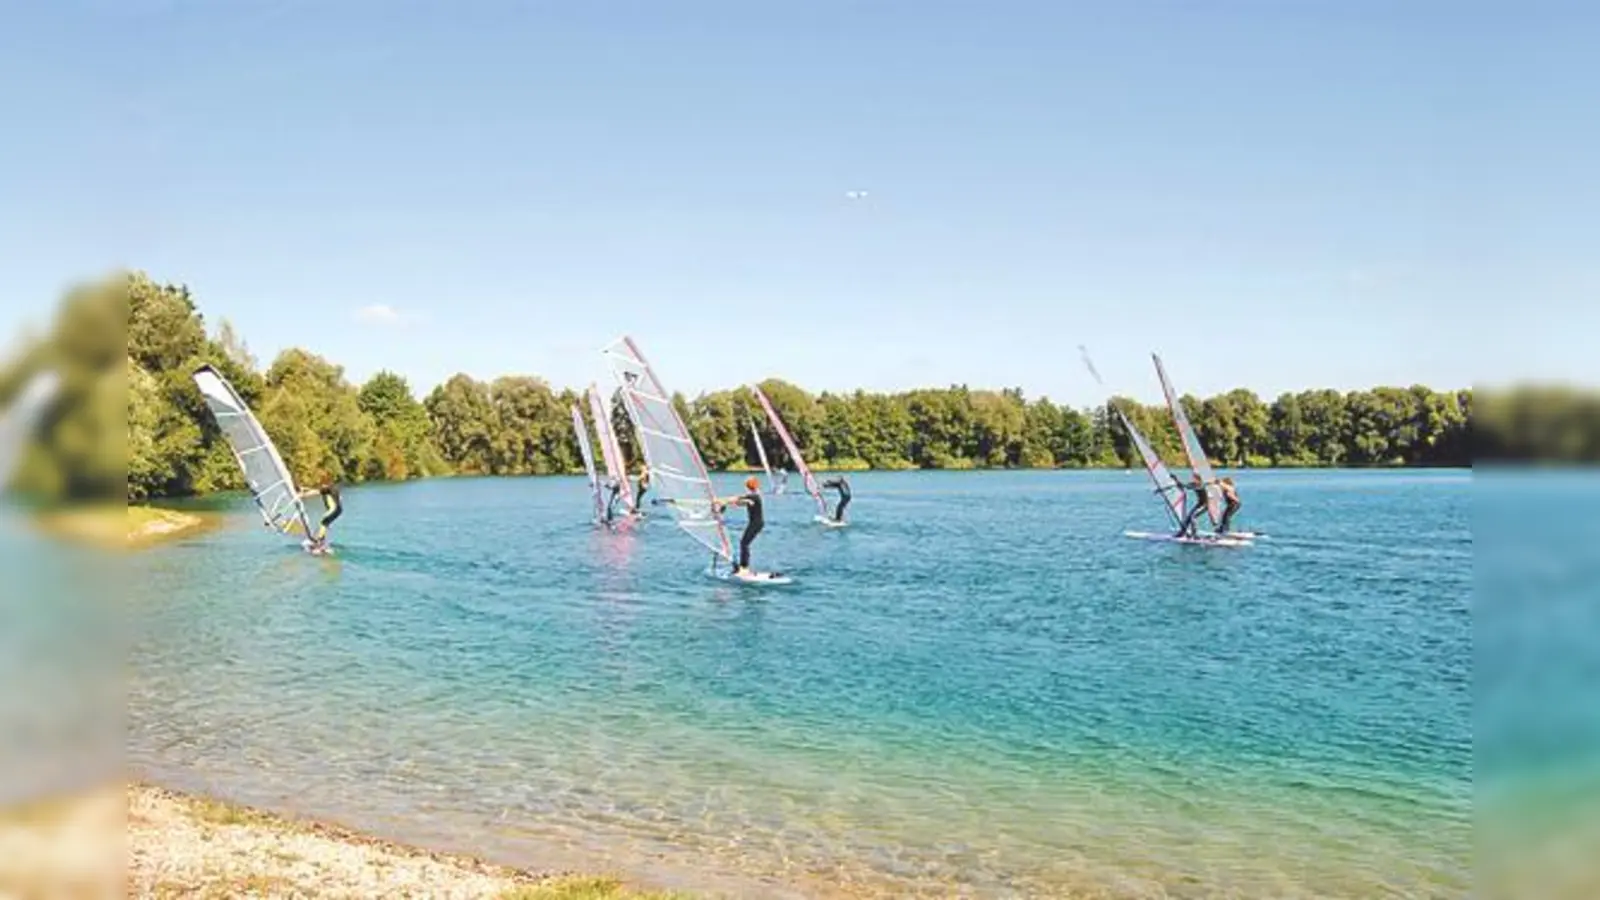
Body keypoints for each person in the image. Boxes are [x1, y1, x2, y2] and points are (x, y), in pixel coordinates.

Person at [715, 476, 765, 574]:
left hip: (756, 524)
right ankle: (743, 566)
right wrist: (725, 502)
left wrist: (722, 501)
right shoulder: (753, 496)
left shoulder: (753, 497)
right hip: (755, 523)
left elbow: (738, 499)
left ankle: (744, 568)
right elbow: (740, 501)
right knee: (744, 543)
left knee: (744, 543)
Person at [298, 477, 342, 548]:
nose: (321, 486)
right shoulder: (333, 489)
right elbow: (319, 490)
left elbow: (315, 492)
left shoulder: (327, 489)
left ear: (325, 484)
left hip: (333, 510)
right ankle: (322, 541)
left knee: (323, 523)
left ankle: (318, 542)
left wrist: (301, 495)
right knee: (325, 524)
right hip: (338, 510)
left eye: (322, 484)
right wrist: (305, 489)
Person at [1173, 474, 1208, 539]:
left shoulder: (1201, 485)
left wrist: (1189, 486)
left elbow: (1197, 487)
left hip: (1205, 505)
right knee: (1188, 517)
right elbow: (1183, 486)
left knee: (1193, 516)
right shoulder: (1194, 484)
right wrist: (1175, 479)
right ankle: (1182, 533)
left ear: (1199, 479)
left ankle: (1195, 535)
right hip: (1199, 504)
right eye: (1193, 478)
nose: (1193, 479)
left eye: (1195, 479)